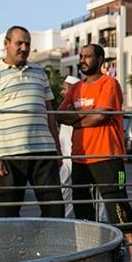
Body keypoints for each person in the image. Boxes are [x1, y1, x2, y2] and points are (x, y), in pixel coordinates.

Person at [59, 44, 132, 262]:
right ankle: (90, 254)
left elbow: (102, 116)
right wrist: (87, 116)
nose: (83, 60)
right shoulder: (75, 88)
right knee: (83, 208)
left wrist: (76, 118)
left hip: (109, 156)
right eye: (81, 56)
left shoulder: (110, 83)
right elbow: (60, 115)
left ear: (100, 59)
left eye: (88, 56)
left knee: (118, 203)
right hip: (80, 158)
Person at [0, 26, 64, 218]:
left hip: (44, 151)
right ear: (6, 44)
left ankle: (53, 248)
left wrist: (57, 148)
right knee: (8, 212)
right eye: (19, 43)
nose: (24, 48)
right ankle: (11, 249)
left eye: (27, 44)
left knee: (55, 208)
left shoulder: (39, 71)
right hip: (9, 154)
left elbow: (50, 111)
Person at [58, 75, 81, 218]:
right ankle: (64, 218)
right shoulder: (65, 106)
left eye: (65, 88)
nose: (62, 92)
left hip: (74, 156)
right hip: (65, 157)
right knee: (64, 189)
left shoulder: (75, 108)